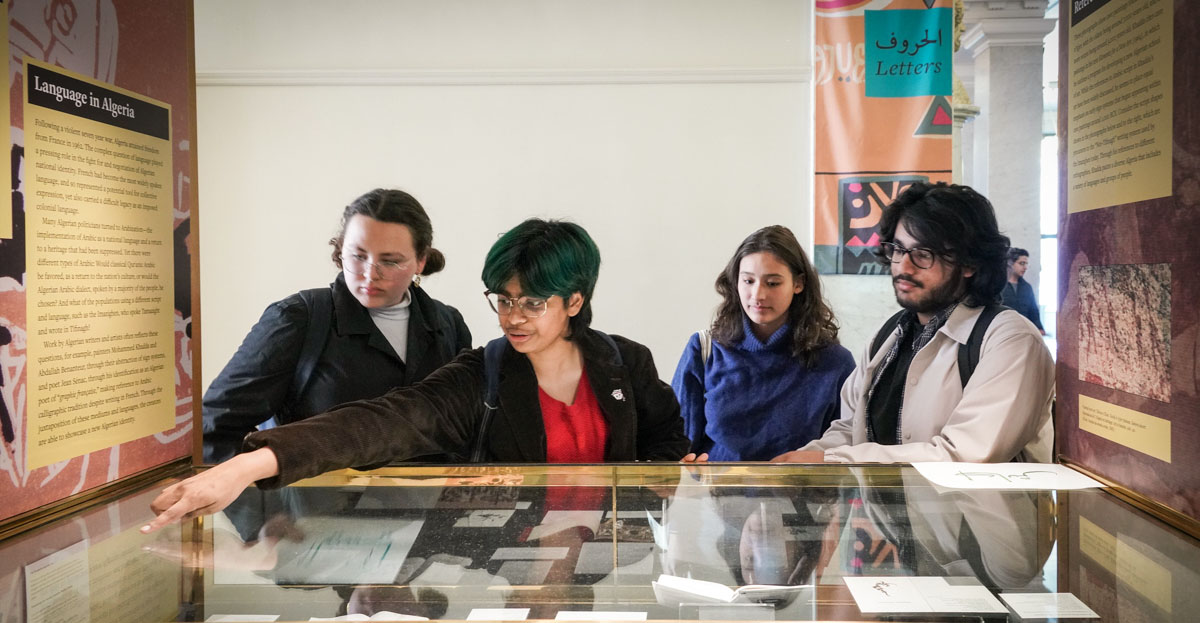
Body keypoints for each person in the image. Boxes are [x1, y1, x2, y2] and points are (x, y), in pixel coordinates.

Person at [144, 218, 690, 532]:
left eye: (531, 303)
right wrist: (249, 465)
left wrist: (652, 488)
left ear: (574, 301)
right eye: (502, 300)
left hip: (607, 556)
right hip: (505, 558)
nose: (510, 318)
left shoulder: (625, 362)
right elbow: (381, 422)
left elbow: (668, 438)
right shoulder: (484, 375)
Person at [773, 182, 1054, 464]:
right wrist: (806, 460)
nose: (903, 267)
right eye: (898, 249)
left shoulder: (1010, 340)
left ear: (970, 263)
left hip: (985, 510)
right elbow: (851, 430)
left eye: (923, 254)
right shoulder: (889, 336)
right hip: (887, 510)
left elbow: (964, 454)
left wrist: (832, 461)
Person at [202, 188, 472, 463]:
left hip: (428, 504)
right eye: (358, 255)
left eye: (390, 261)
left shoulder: (448, 324)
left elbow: (465, 431)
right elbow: (214, 427)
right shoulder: (297, 318)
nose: (370, 274)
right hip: (316, 505)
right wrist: (261, 502)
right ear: (341, 250)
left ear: (421, 261)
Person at [672, 226, 855, 460]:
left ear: (798, 284)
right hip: (717, 495)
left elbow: (845, 452)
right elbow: (677, 443)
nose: (757, 295)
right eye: (748, 281)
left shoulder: (835, 361)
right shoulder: (705, 349)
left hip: (801, 496)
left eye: (773, 283)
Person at [1001, 247, 1046, 335]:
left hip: (1024, 333)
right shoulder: (999, 286)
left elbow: (1033, 310)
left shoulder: (1027, 287)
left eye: (1026, 264)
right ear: (1010, 263)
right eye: (1022, 263)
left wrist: (1039, 327)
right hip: (1003, 332)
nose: (1025, 267)